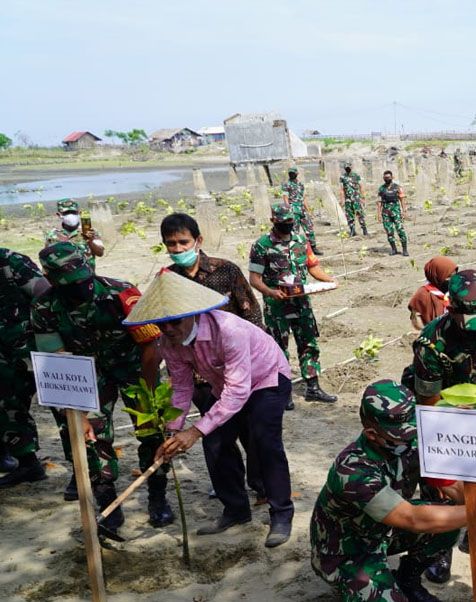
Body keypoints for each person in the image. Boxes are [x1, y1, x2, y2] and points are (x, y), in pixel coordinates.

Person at [310, 380, 476, 602]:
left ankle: (407, 580)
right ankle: (353, 586)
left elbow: (453, 487)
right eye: (401, 436)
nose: (411, 439)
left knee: (448, 520)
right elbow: (413, 519)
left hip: (382, 530)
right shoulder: (353, 470)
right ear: (371, 434)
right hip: (347, 549)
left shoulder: (408, 441)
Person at [124, 270, 295, 547]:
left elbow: (238, 392)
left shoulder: (229, 330)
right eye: (161, 324)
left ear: (192, 313)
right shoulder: (169, 343)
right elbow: (181, 385)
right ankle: (236, 509)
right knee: (215, 441)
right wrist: (172, 433)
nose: (168, 330)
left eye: (174, 322)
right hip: (225, 386)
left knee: (265, 441)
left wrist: (193, 431)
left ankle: (281, 514)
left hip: (267, 378)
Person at [31, 242, 170, 531]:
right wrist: (78, 416)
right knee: (91, 439)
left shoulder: (120, 293)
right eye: (69, 283)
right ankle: (107, 502)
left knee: (152, 431)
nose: (79, 287)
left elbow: (150, 345)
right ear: (49, 277)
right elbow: (55, 363)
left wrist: (148, 390)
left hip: (134, 366)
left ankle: (158, 496)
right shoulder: (44, 306)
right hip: (86, 377)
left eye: (82, 279)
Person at [406, 269, 476, 579]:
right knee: (442, 484)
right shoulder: (431, 345)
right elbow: (429, 408)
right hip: (444, 411)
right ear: (451, 309)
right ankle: (438, 550)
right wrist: (463, 417)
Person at [162, 212, 266, 499]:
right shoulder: (168, 280)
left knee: (253, 433)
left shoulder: (226, 270)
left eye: (184, 242)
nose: (179, 249)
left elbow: (252, 315)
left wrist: (256, 364)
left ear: (198, 240)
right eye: (171, 244)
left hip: (237, 368)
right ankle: (231, 496)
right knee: (216, 437)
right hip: (198, 374)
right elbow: (167, 326)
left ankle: (261, 485)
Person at [248, 204, 337, 406]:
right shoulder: (262, 245)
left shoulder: (300, 240)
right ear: (273, 221)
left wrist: (330, 281)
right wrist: (271, 292)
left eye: (291, 221)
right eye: (284, 221)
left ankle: (313, 387)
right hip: (276, 306)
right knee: (279, 348)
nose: (289, 224)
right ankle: (284, 393)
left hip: (301, 303)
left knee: (308, 344)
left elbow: (313, 267)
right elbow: (254, 279)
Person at [0, 248, 50, 489]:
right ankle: (28, 464)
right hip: (4, 356)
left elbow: (45, 295)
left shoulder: (11, 261)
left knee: (62, 408)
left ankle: (81, 472)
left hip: (34, 349)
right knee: (9, 406)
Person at [45, 198, 104, 267]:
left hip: (87, 274)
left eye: (73, 212)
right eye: (66, 213)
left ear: (79, 213)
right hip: (63, 275)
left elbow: (100, 253)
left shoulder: (90, 231)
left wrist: (90, 241)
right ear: (59, 215)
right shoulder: (52, 234)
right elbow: (47, 258)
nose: (70, 215)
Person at [408, 256, 457, 331]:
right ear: (437, 276)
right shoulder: (423, 294)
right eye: (448, 277)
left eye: (454, 276)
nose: (453, 280)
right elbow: (416, 320)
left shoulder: (456, 292)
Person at [281, 167, 323, 255]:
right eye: (290, 173)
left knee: (309, 229)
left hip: (302, 209)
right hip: (293, 209)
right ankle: (297, 251)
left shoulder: (300, 185)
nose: (292, 174)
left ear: (297, 174)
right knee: (295, 232)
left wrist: (309, 212)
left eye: (293, 173)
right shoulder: (286, 185)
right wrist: (288, 211)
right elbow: (286, 199)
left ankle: (313, 248)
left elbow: (304, 199)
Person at [377, 170, 408, 257]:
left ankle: (404, 250)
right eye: (385, 178)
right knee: (389, 232)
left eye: (388, 177)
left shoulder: (397, 187)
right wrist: (379, 214)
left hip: (396, 212)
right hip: (386, 213)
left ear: (392, 177)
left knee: (400, 230)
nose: (387, 179)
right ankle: (394, 249)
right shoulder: (381, 189)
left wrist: (404, 211)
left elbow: (402, 199)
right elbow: (379, 202)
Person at [340, 164, 369, 237]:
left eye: (349, 167)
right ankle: (352, 230)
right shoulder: (343, 177)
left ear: (351, 167)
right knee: (349, 216)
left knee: (360, 214)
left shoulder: (356, 176)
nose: (348, 169)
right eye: (346, 168)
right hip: (348, 200)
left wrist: (363, 198)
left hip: (356, 198)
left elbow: (361, 187)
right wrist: (342, 200)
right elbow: (342, 189)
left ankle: (364, 229)